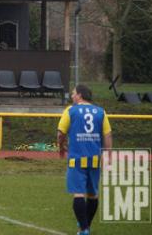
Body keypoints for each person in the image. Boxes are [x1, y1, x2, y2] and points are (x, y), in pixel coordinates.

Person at [57, 84, 112, 235]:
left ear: (80, 95)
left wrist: (61, 146)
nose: (72, 96)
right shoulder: (101, 112)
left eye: (73, 94)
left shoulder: (70, 110)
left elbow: (61, 133)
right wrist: (108, 155)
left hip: (76, 159)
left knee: (78, 194)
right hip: (95, 159)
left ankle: (84, 229)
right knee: (93, 194)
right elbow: (107, 136)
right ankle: (84, 226)